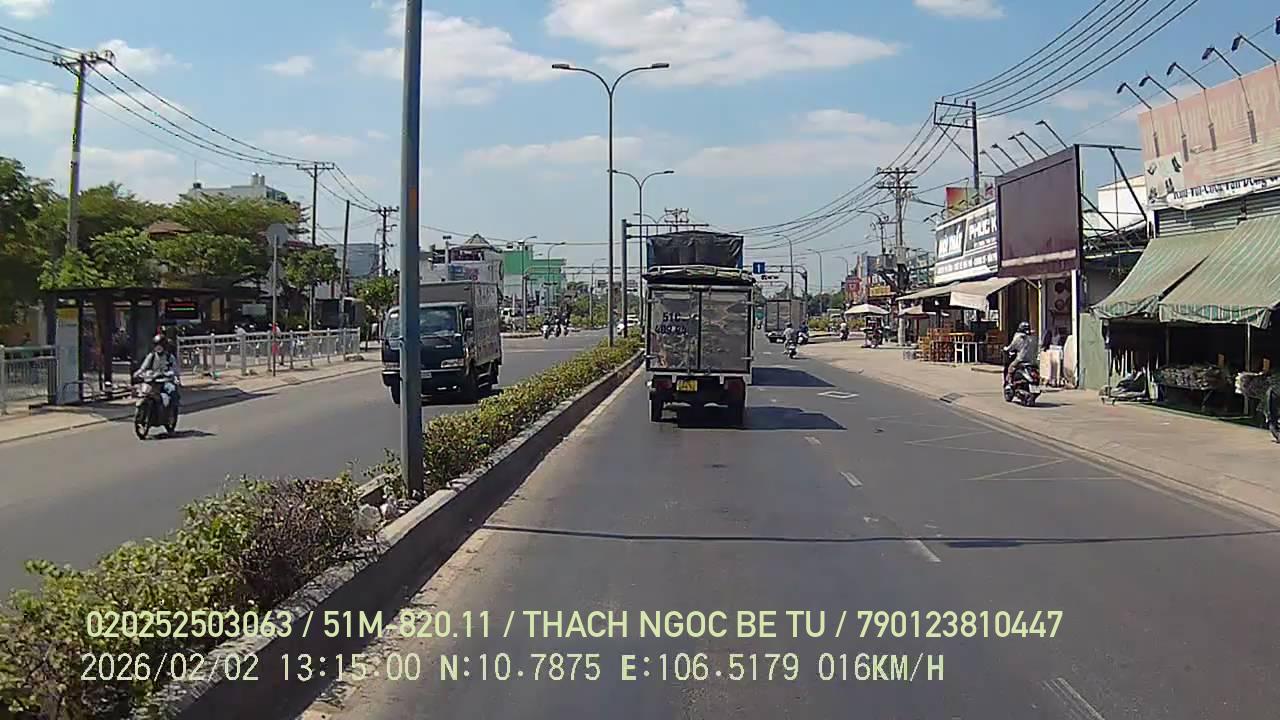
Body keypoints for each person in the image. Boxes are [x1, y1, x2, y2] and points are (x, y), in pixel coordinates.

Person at [136, 333, 181, 407]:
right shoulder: (151, 356)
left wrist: (169, 373)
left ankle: (172, 411)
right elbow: (143, 367)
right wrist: (138, 373)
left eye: (160, 345)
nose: (158, 348)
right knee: (143, 391)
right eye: (156, 345)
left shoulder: (169, 357)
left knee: (172, 390)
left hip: (165, 381)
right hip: (153, 382)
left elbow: (175, 369)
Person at [1004, 321, 1038, 385]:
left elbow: (1012, 346)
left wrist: (1006, 349)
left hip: (1021, 359)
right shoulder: (1033, 337)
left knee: (1011, 367)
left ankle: (1010, 382)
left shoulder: (1019, 336)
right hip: (1033, 360)